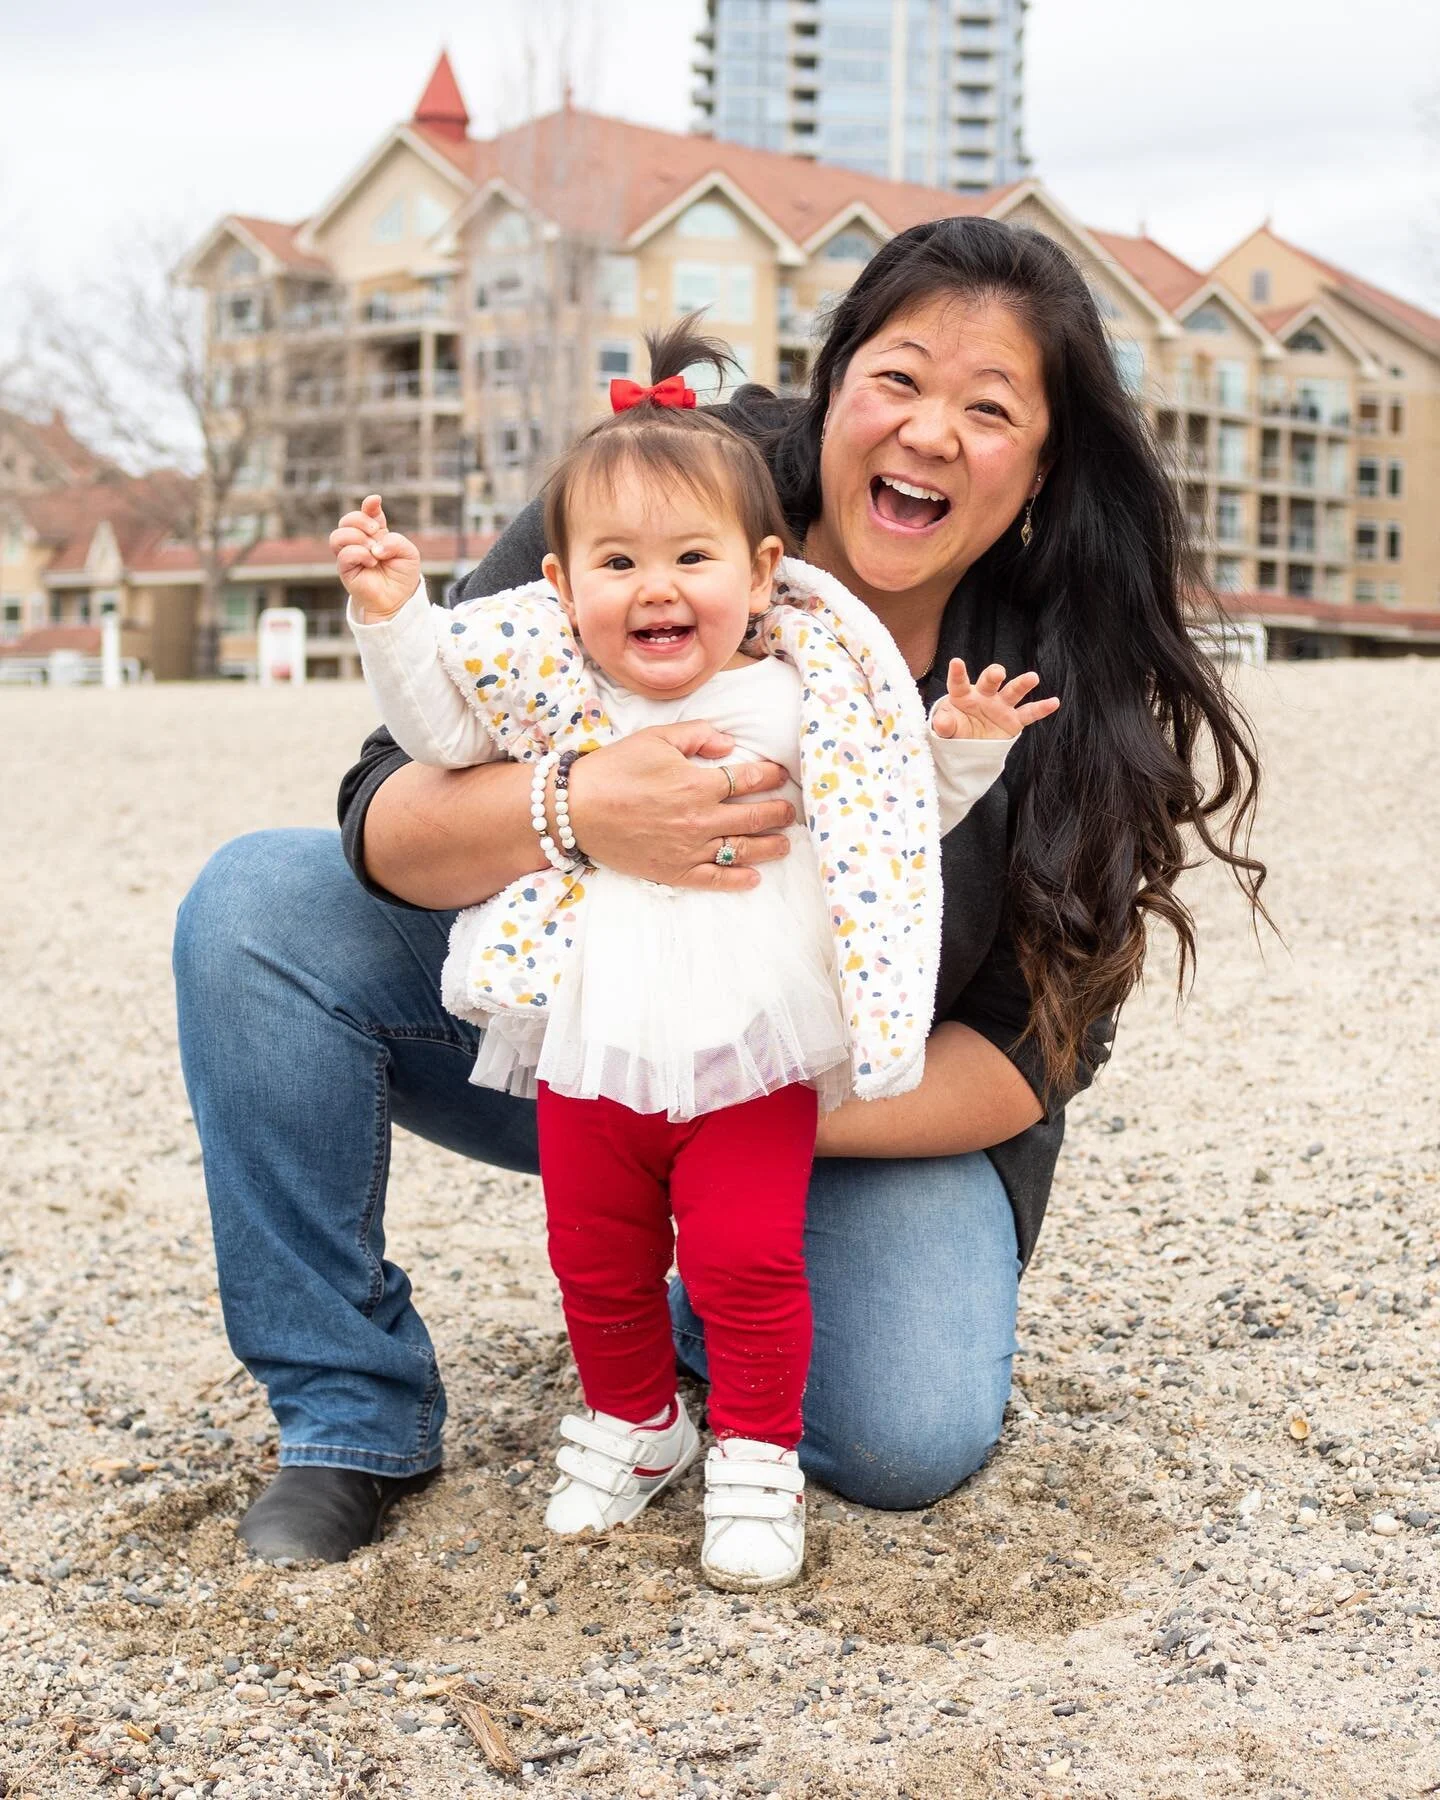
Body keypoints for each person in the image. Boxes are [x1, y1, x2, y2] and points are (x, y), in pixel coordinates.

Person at [174, 216, 1265, 1565]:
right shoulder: (652, 491)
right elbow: (385, 815)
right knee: (256, 911)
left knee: (902, 1434)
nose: (928, 432)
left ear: (1038, 471)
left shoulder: (1051, 675)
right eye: (900, 378)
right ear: (835, 381)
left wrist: (739, 1090)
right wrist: (579, 808)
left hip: (848, 1103)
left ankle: (706, 1294)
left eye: (989, 410)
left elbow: (1034, 1048)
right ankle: (349, 1415)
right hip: (583, 1036)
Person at [331, 322, 1058, 1588]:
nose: (655, 589)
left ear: (763, 573)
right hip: (591, 1037)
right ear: (564, 588)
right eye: (617, 563)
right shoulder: (561, 690)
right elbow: (433, 723)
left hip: (752, 1048)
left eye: (691, 559)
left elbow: (890, 812)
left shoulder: (793, 696)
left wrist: (961, 748)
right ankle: (636, 1424)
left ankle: (757, 1463)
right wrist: (395, 616)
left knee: (745, 1259)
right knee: (593, 1253)